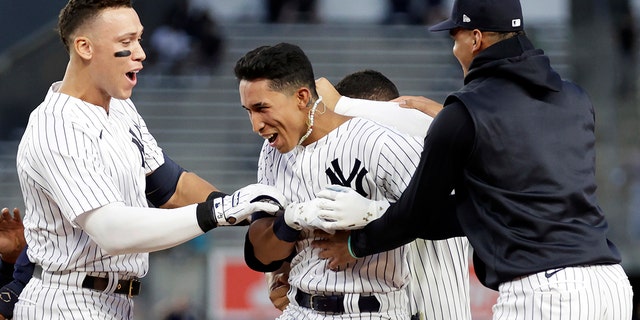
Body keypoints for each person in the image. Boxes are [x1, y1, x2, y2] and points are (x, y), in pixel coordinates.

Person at [311, 0, 635, 319]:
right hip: (611, 284)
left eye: (456, 37)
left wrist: (356, 243)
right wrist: (450, 121)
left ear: (476, 39)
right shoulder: (575, 98)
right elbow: (496, 191)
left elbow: (416, 214)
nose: (454, 49)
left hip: (545, 294)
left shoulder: (464, 113)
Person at [13, 1, 285, 319]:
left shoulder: (120, 108)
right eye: (126, 42)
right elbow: (111, 230)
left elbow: (170, 187)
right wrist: (220, 212)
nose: (140, 52)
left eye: (139, 39)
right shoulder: (57, 124)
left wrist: (250, 210)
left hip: (111, 300)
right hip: (65, 300)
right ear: (85, 47)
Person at [236, 43, 426, 319]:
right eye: (248, 111)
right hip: (300, 308)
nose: (255, 125)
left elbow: (434, 212)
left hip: (372, 309)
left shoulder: (377, 142)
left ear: (302, 97)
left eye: (261, 108)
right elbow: (261, 253)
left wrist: (370, 223)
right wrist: (290, 221)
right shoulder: (271, 152)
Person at [265, 69, 471, 320]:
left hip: (435, 306)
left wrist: (340, 104)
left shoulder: (421, 133)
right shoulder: (344, 164)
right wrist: (277, 273)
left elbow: (412, 121)